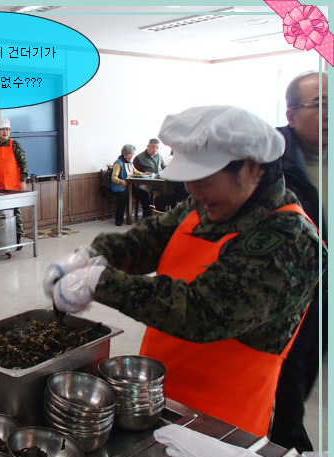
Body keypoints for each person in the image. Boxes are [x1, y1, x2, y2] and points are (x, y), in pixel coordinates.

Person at [44, 105, 323, 438]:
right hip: (156, 398)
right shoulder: (205, 203)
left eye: (203, 180)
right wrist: (90, 257)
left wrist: (100, 281)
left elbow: (202, 312)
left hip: (224, 427)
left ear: (251, 167)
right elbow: (147, 240)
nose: (193, 191)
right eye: (188, 179)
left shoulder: (290, 239)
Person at [271, 71, 328, 453]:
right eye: (319, 104)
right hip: (291, 293)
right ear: (291, 114)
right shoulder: (271, 159)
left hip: (325, 291)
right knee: (287, 379)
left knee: (306, 370)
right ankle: (288, 451)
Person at [0, 118, 29, 244]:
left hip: (14, 186)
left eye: (7, 130)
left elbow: (23, 164)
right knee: (1, 213)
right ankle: (2, 239)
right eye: (2, 130)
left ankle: (17, 238)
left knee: (16, 212)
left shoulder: (15, 144)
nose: (5, 132)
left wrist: (23, 181)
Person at [110, 144, 152, 225]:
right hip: (120, 187)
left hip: (129, 186)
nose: (131, 156)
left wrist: (143, 174)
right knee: (122, 198)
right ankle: (119, 220)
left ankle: (147, 217)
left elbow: (135, 171)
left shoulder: (129, 163)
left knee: (144, 194)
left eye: (132, 154)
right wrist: (121, 181)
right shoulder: (118, 163)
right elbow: (114, 177)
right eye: (130, 154)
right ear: (124, 154)